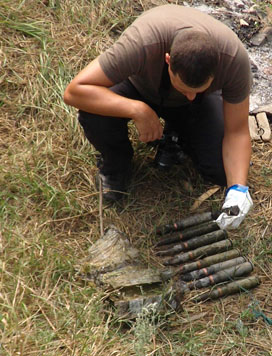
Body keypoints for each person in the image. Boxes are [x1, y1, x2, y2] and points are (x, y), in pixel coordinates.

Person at [63, 5, 253, 229]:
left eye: (198, 89)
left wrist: (237, 189)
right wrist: (137, 110)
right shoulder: (142, 43)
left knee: (223, 170)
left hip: (199, 106)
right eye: (184, 88)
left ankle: (179, 136)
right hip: (139, 87)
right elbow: (75, 91)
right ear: (167, 60)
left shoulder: (234, 60)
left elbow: (237, 131)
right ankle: (117, 164)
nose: (191, 96)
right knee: (95, 112)